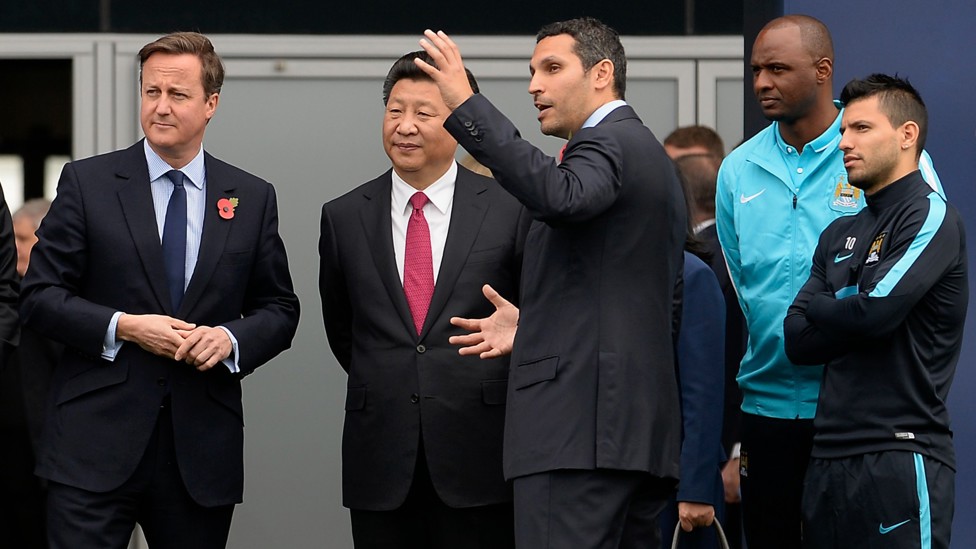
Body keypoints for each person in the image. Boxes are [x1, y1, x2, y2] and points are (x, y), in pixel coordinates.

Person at [19, 32, 300, 548]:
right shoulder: (88, 183)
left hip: (199, 451)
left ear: (211, 103)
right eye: (151, 93)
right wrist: (124, 327)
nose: (161, 107)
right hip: (93, 446)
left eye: (178, 95)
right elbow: (38, 296)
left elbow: (280, 308)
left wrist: (230, 341)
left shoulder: (251, 197)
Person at [418, 17, 687, 548]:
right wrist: (538, 325)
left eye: (552, 67)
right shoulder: (643, 154)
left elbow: (560, 196)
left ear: (602, 73)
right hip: (630, 435)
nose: (533, 85)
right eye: (532, 71)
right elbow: (632, 295)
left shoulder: (609, 142)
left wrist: (465, 105)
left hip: (578, 438)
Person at [714, 15, 942, 549]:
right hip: (766, 409)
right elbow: (743, 289)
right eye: (756, 71)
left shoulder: (882, 155)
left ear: (822, 71)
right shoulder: (737, 169)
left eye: (777, 69)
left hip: (853, 413)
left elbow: (907, 286)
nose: (762, 83)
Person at [318, 50, 528, 549]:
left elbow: (527, 316)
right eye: (395, 111)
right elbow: (344, 331)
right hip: (380, 460)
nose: (405, 126)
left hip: (480, 457)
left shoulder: (509, 211)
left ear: (457, 124)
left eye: (423, 113)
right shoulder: (343, 216)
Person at [784, 74, 965, 549]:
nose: (844, 142)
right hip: (826, 458)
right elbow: (797, 341)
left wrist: (829, 304)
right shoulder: (837, 232)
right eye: (844, 130)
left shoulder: (929, 213)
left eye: (861, 128)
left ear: (907, 135)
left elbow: (875, 314)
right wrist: (850, 305)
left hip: (900, 454)